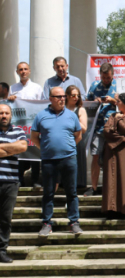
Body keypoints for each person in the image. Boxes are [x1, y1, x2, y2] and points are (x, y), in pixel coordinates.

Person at [31, 87, 83, 236]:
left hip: (69, 159)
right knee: (48, 192)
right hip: (48, 160)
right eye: (58, 96)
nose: (61, 99)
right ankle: (47, 223)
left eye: (63, 96)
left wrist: (70, 147)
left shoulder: (72, 115)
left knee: (71, 192)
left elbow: (78, 134)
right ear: (51, 99)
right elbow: (34, 137)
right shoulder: (41, 116)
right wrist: (45, 149)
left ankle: (74, 222)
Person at [0, 104, 28, 263]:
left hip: (10, 182)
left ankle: (1, 251)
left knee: (5, 219)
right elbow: (16, 148)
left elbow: (22, 146)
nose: (3, 115)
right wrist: (11, 148)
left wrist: (2, 148)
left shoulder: (18, 131)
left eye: (6, 113)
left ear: (11, 115)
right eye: (1, 113)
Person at [85, 62, 117, 196]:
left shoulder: (119, 86)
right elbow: (86, 105)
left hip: (114, 128)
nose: (106, 80)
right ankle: (94, 187)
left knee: (113, 158)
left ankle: (112, 188)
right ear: (100, 75)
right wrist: (94, 102)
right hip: (97, 128)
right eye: (103, 78)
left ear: (112, 74)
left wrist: (113, 101)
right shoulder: (93, 86)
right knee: (95, 156)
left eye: (108, 78)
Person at [9, 62, 43, 187]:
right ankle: (20, 180)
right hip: (19, 126)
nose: (23, 71)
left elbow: (41, 106)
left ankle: (35, 180)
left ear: (29, 71)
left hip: (32, 126)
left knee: (34, 151)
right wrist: (11, 99)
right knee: (19, 152)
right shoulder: (13, 88)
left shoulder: (37, 88)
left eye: (25, 69)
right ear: (17, 72)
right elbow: (9, 107)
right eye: (20, 69)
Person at [64, 86, 88, 189]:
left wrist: (73, 118)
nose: (76, 98)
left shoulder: (81, 110)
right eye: (73, 95)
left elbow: (83, 129)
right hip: (64, 141)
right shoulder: (62, 109)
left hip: (77, 141)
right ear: (67, 96)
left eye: (78, 95)